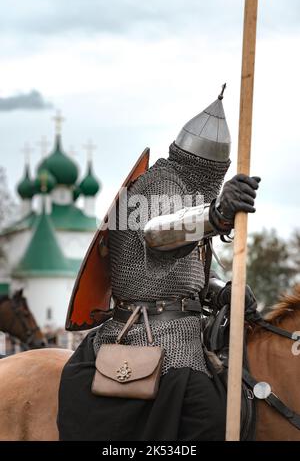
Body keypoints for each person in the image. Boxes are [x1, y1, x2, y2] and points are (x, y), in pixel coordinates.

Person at [58, 87, 260, 441]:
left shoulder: (186, 192)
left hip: (181, 327)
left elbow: (180, 274)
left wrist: (217, 293)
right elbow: (158, 235)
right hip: (148, 333)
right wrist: (216, 214)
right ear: (209, 168)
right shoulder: (161, 186)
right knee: (210, 418)